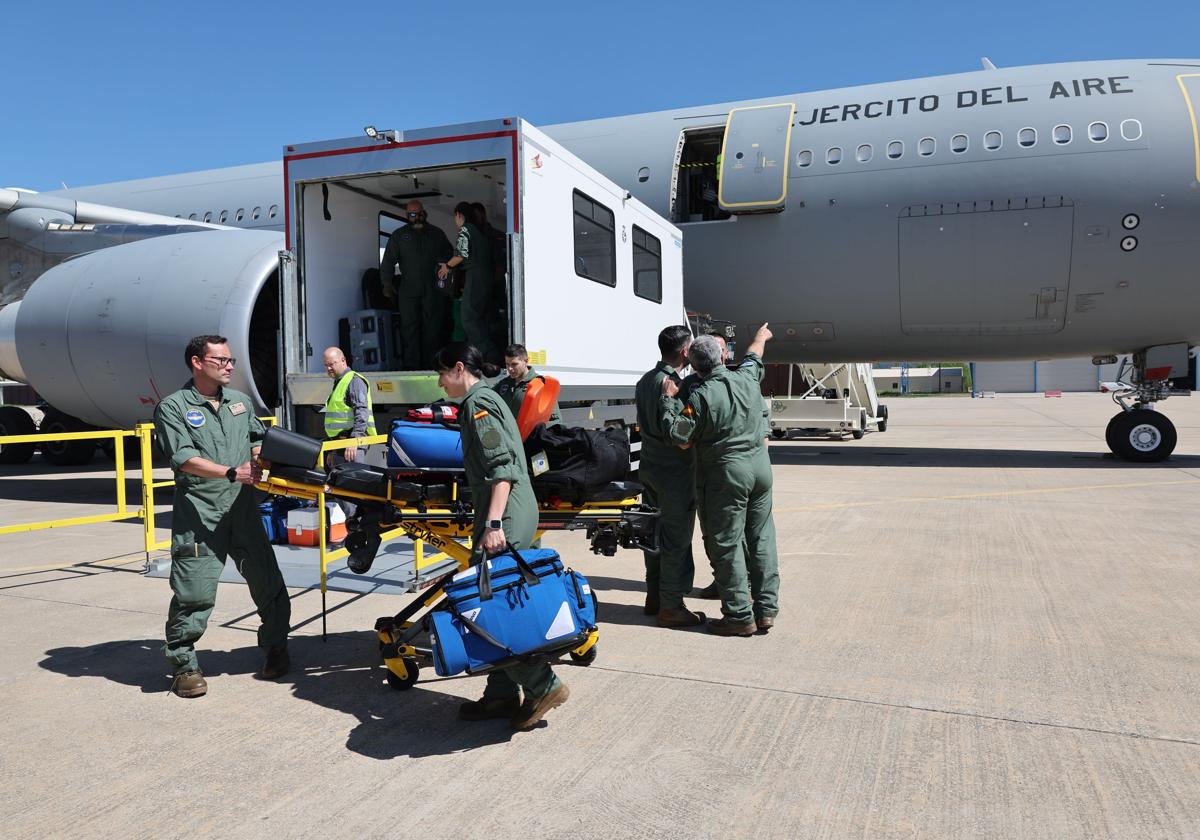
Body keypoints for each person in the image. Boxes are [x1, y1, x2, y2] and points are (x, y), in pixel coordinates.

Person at [434, 342, 569, 730]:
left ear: (459, 368)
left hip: (505, 513)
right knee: (495, 599)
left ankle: (544, 686)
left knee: (494, 608)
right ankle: (501, 696)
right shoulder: (485, 399)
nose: (440, 381)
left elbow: (503, 468)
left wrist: (493, 524)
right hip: (503, 509)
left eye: (442, 373)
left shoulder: (480, 405)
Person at [153, 335, 291, 697]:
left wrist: (263, 455)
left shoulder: (241, 403)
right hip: (200, 514)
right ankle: (184, 667)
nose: (230, 365)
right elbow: (183, 458)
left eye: (231, 360)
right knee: (193, 592)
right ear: (197, 362)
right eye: (222, 360)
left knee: (268, 583)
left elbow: (256, 439)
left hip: (243, 510)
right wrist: (233, 472)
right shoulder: (174, 407)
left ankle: (277, 647)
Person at [661, 324, 780, 636]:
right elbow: (755, 355)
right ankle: (765, 609)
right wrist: (760, 336)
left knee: (726, 542)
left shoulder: (700, 396)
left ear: (696, 365)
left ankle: (739, 616)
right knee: (761, 537)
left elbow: (681, 438)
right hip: (760, 468)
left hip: (728, 474)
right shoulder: (746, 376)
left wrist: (668, 400)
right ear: (723, 357)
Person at [635, 325, 704, 628]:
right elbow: (677, 432)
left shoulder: (644, 380)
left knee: (653, 534)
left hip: (649, 468)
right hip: (674, 473)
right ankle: (672, 606)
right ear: (685, 352)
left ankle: (654, 595)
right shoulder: (674, 385)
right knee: (676, 538)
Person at [379, 200, 454, 369]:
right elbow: (388, 261)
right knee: (409, 329)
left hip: (432, 289)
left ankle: (432, 365)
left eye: (419, 213)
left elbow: (450, 258)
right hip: (408, 289)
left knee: (433, 328)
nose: (416, 217)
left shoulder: (437, 234)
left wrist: (446, 285)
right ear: (407, 216)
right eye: (412, 215)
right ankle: (411, 366)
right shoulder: (399, 236)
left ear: (424, 213)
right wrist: (387, 283)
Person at [322, 347, 376, 522]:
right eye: (326, 365)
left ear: (343, 361)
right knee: (339, 487)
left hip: (351, 444)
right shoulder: (340, 381)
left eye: (332, 364)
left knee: (353, 488)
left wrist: (355, 439)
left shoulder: (353, 380)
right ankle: (354, 524)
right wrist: (332, 449)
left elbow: (361, 411)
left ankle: (362, 526)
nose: (329, 368)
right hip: (339, 445)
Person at [439, 203, 497, 363]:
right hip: (485, 277)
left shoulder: (466, 230)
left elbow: (460, 255)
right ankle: (483, 353)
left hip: (475, 275)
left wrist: (447, 266)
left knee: (468, 317)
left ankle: (487, 353)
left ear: (459, 215)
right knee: (479, 317)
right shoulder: (480, 231)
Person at [495, 343, 562, 427]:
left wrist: (536, 432)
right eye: (507, 364)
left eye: (514, 364)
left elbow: (555, 421)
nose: (510, 369)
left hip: (529, 438)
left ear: (526, 361)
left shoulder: (540, 385)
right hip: (509, 438)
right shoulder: (503, 384)